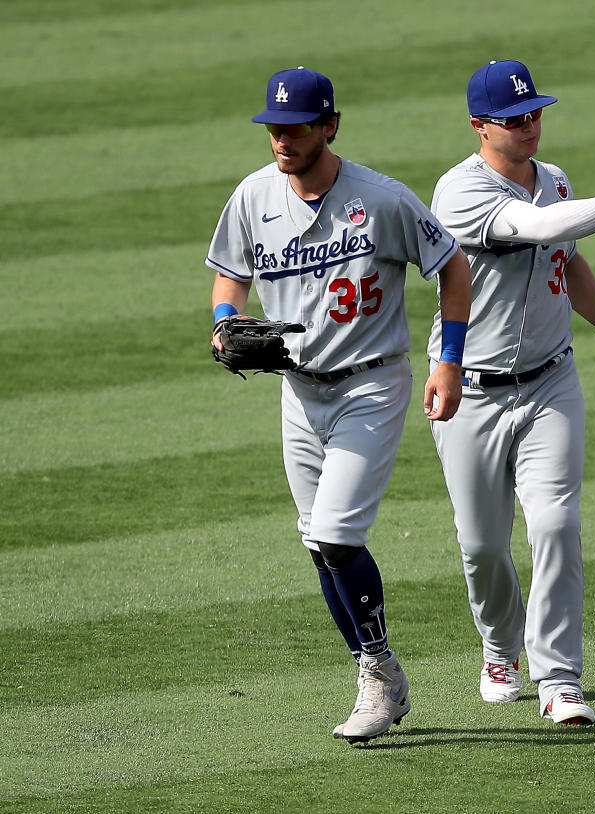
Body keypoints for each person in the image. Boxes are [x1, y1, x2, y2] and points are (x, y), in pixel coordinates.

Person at [205, 66, 472, 743]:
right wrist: (222, 323)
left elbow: (453, 266)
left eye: (294, 128)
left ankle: (378, 679)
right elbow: (230, 275)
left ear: (329, 126)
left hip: (371, 385)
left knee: (335, 535)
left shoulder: (379, 199)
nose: (281, 140)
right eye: (273, 128)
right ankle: (376, 668)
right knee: (319, 545)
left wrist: (448, 360)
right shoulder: (252, 196)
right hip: (298, 388)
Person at [427, 59, 595, 726]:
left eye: (535, 113)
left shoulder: (554, 179)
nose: (529, 125)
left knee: (556, 522)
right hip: (469, 391)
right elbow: (541, 229)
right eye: (513, 118)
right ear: (479, 125)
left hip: (551, 383)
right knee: (481, 546)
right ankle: (499, 648)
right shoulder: (458, 193)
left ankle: (559, 678)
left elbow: (567, 257)